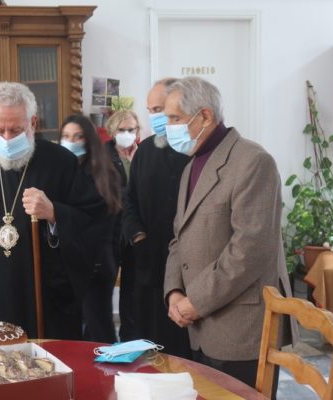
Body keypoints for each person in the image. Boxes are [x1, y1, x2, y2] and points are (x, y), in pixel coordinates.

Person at [0, 82, 106, 340]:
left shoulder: (61, 163)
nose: (7, 138)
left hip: (46, 300)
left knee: (46, 361)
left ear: (32, 122)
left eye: (15, 130)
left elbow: (94, 221)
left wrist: (54, 213)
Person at [163, 76, 294, 387]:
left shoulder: (253, 161)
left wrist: (196, 301)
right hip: (200, 324)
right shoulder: (192, 165)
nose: (168, 127)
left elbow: (250, 250)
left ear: (205, 116)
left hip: (240, 329)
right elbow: (179, 236)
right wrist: (174, 292)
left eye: (175, 118)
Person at [121, 79, 191, 358]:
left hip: (187, 268)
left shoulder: (194, 150)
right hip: (148, 262)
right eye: (150, 110)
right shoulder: (146, 151)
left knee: (183, 349)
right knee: (149, 346)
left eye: (160, 110)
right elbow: (129, 201)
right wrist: (138, 236)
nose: (155, 117)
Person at [60, 114, 121, 343]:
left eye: (78, 136)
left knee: (99, 329)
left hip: (95, 263)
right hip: (68, 264)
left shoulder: (102, 172)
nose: (71, 142)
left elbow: (101, 224)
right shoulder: (62, 170)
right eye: (66, 136)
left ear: (89, 140)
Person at [104, 110, 141, 341]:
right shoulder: (102, 156)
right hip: (109, 232)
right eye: (122, 129)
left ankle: (130, 339)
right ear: (112, 131)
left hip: (134, 232)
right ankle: (103, 340)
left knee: (133, 290)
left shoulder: (143, 155)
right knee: (103, 289)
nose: (127, 134)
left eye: (131, 129)